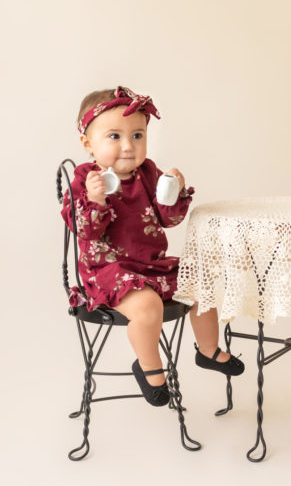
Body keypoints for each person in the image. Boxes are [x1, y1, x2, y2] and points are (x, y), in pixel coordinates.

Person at [61, 86, 244, 407]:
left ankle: (208, 350)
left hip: (151, 266)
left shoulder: (147, 174)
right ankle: (149, 369)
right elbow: (86, 233)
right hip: (108, 274)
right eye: (114, 136)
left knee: (199, 284)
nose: (128, 146)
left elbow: (168, 219)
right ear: (87, 144)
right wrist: (95, 199)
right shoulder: (83, 182)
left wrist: (175, 191)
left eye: (137, 136)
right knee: (148, 307)